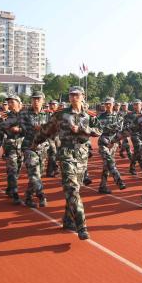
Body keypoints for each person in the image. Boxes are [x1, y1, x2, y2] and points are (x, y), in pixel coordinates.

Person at [37, 86, 100, 239]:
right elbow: (46, 130)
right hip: (66, 153)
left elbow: (98, 131)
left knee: (75, 189)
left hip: (82, 156)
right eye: (71, 95)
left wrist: (82, 129)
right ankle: (81, 226)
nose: (74, 97)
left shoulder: (89, 115)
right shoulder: (60, 115)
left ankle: (68, 219)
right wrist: (33, 144)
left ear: (83, 96)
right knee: (71, 188)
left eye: (77, 95)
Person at [94, 97, 127, 193]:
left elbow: (119, 129)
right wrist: (110, 128)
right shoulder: (100, 117)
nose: (108, 105)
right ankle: (119, 180)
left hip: (113, 143)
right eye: (106, 104)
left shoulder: (119, 116)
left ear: (113, 104)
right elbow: (97, 129)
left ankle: (102, 186)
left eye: (109, 103)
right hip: (103, 142)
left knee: (107, 165)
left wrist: (112, 140)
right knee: (110, 161)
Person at [0, 95, 26, 204]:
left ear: (19, 103)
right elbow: (0, 131)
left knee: (17, 170)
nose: (9, 104)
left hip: (22, 146)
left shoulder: (25, 115)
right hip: (10, 147)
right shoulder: (5, 116)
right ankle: (15, 194)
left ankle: (10, 187)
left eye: (12, 102)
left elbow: (30, 129)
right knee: (12, 170)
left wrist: (19, 130)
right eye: (8, 102)